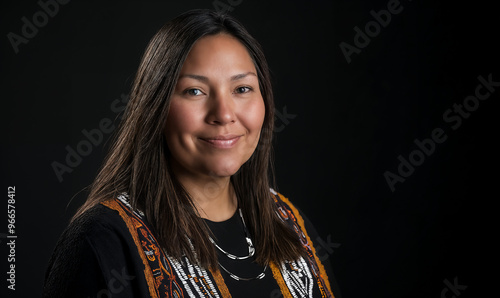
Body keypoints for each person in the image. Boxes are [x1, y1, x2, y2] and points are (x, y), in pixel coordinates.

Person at [43, 9, 340, 298]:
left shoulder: (290, 225)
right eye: (194, 91)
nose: (224, 115)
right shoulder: (102, 240)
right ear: (155, 106)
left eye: (242, 89)